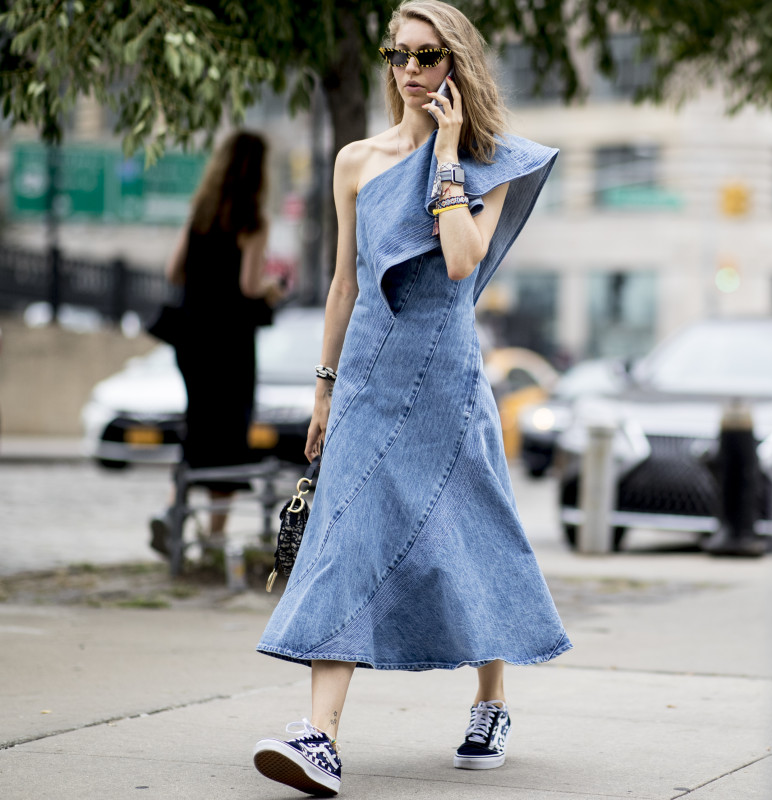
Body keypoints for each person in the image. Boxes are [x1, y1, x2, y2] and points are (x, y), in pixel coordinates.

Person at [250, 2, 571, 795]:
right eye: (400, 55)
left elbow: (462, 261)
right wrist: (324, 389)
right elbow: (343, 283)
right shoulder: (355, 160)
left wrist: (452, 151)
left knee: (473, 535)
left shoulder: (493, 160)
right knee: (344, 536)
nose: (413, 70)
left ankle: (491, 700)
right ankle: (319, 736)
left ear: (456, 65)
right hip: (366, 375)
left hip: (446, 376)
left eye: (429, 56)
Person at [150, 131, 284, 554]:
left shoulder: (201, 213)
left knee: (198, 425)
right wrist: (273, 287)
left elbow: (174, 271)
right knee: (229, 433)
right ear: (258, 172)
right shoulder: (252, 220)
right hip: (230, 345)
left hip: (191, 340)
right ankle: (213, 536)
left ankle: (174, 512)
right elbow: (248, 285)